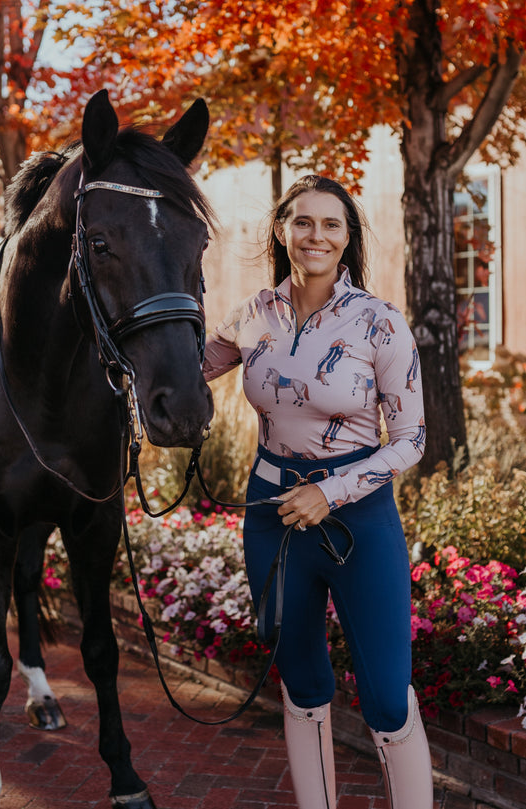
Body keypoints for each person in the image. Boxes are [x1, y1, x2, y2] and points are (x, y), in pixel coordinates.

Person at [203, 175, 433, 809]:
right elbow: (185, 371)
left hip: (357, 523)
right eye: (303, 222)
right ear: (282, 230)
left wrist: (331, 492)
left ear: (348, 237)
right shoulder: (253, 314)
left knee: (387, 695)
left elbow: (411, 440)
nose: (316, 236)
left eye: (332, 225)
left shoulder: (380, 323)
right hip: (270, 517)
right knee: (301, 682)